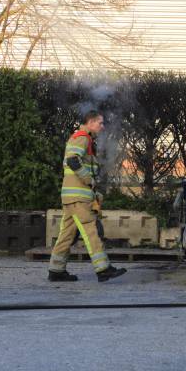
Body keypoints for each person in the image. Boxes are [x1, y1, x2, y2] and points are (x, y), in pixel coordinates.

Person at [48, 110, 126, 282]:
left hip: (72, 197)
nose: (102, 126)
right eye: (100, 122)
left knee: (67, 234)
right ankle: (103, 268)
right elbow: (73, 161)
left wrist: (94, 190)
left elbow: (77, 163)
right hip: (78, 198)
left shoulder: (83, 139)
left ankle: (56, 270)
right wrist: (89, 180)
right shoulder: (82, 137)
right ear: (90, 122)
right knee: (92, 231)